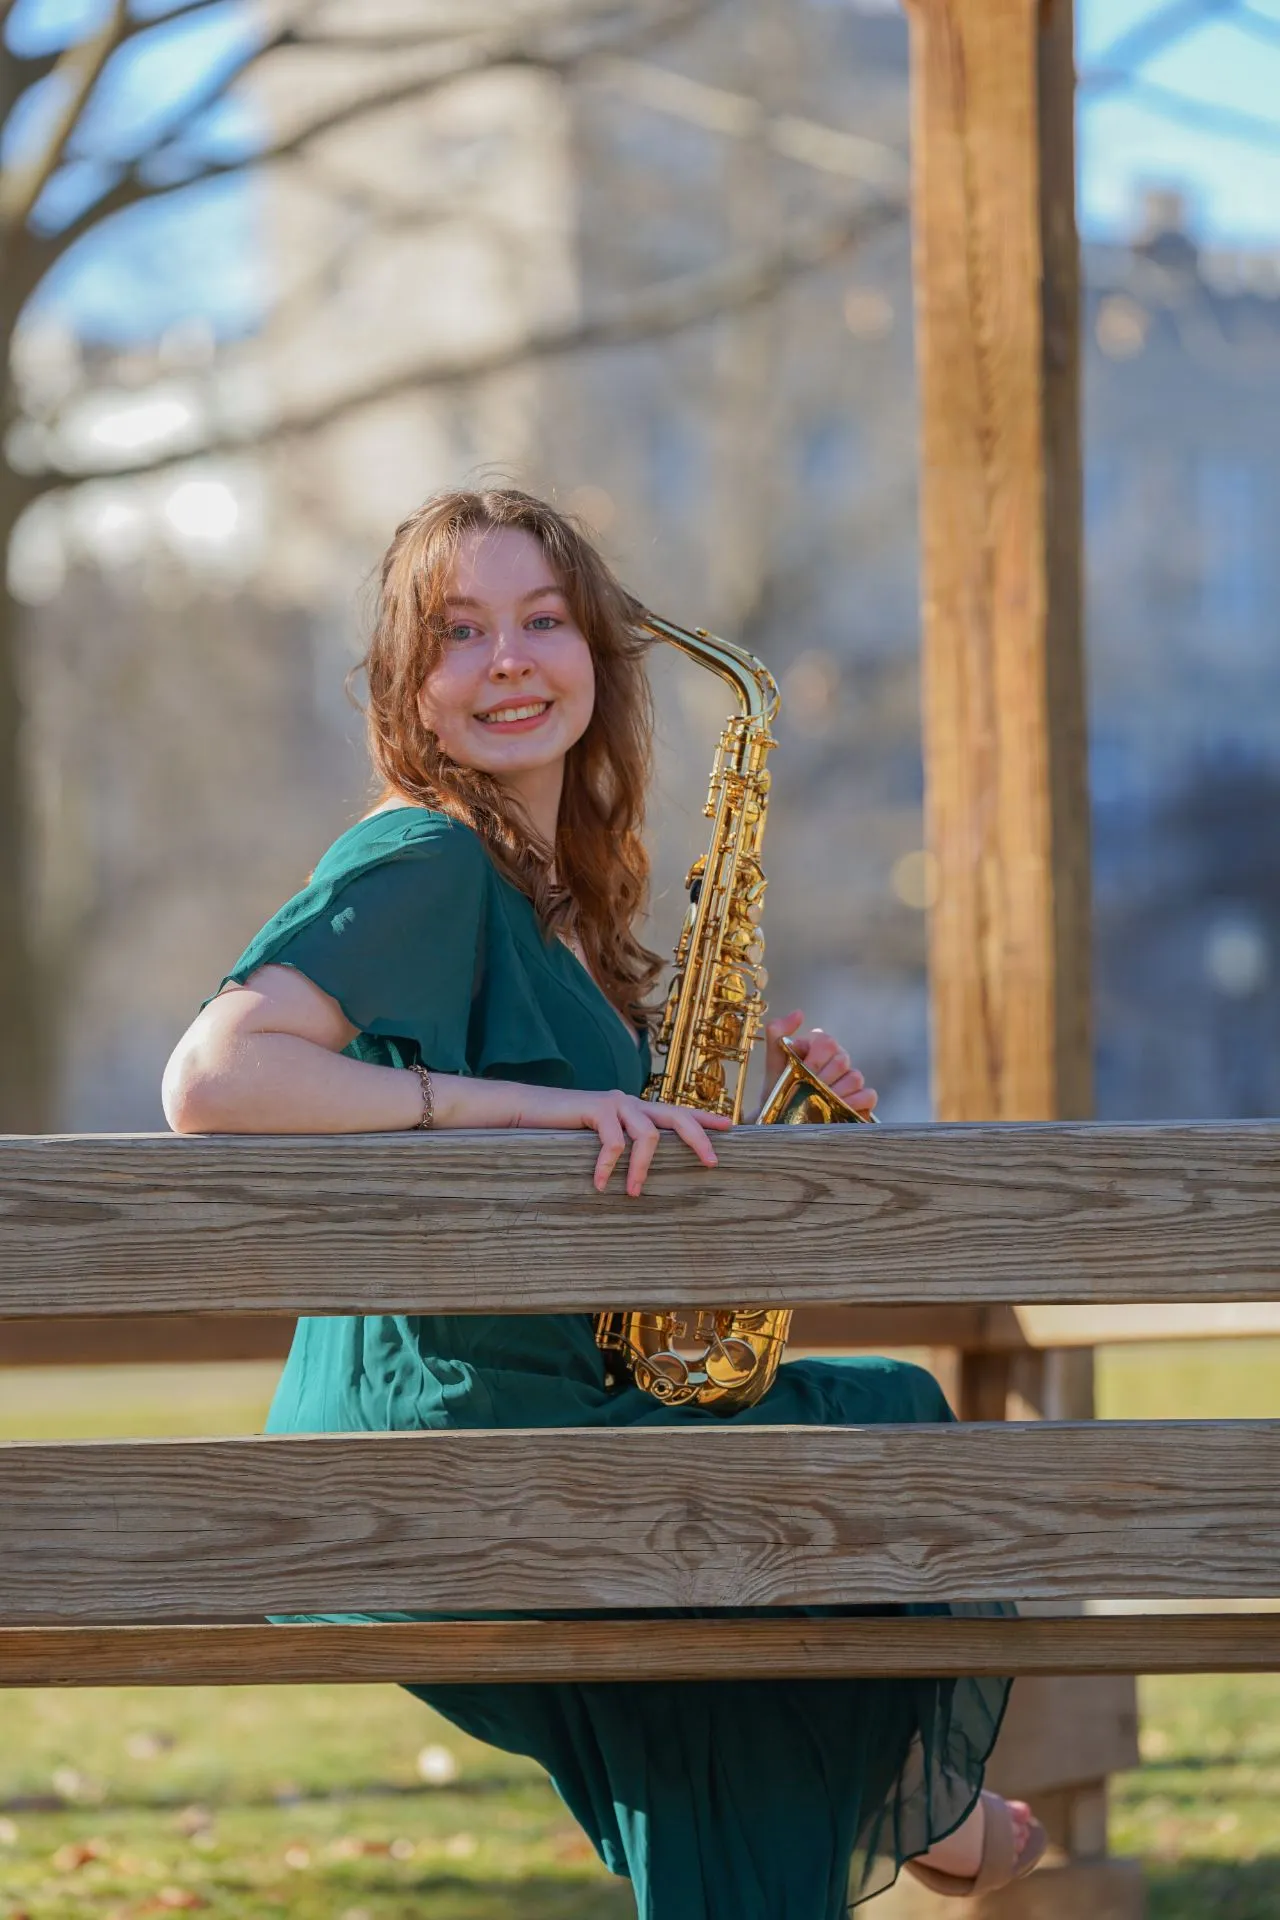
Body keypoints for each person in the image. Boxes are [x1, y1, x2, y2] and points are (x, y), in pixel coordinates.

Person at [163, 486, 1046, 1917]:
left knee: (740, 1638)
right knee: (884, 1439)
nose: (507, 658)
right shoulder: (424, 857)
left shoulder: (558, 905)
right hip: (451, 1447)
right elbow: (213, 1079)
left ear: (595, 657)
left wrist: (767, 1125)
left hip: (526, 1422)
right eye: (459, 633)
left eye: (542, 619)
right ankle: (924, 1812)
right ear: (409, 690)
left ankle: (909, 1812)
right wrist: (541, 1106)